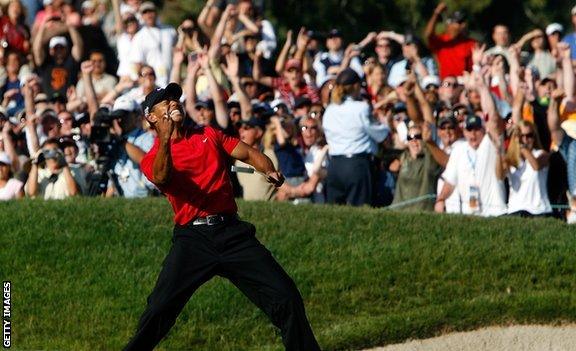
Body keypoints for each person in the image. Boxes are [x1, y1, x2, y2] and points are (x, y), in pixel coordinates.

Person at [123, 82, 320, 350]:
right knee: (158, 309)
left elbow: (248, 153)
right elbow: (161, 175)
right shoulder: (153, 157)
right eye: (165, 102)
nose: (173, 103)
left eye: (175, 99)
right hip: (193, 239)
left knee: (286, 297)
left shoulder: (207, 134)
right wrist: (167, 138)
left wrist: (268, 169)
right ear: (151, 117)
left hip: (232, 233)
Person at [322, 68, 390, 206]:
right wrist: (385, 123)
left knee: (334, 214)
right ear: (356, 86)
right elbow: (380, 134)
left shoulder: (329, 110)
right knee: (360, 211)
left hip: (335, 165)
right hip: (357, 165)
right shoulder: (361, 108)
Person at [499, 120, 552, 216]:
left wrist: (521, 147)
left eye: (529, 136)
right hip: (515, 210)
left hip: (539, 211)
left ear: (534, 137)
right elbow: (500, 176)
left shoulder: (542, 154)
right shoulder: (511, 159)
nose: (525, 139)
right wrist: (501, 150)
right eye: (521, 136)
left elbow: (536, 166)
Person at [424, 3, 475, 79]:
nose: (463, 25)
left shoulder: (471, 43)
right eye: (459, 22)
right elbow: (428, 34)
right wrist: (437, 13)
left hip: (464, 82)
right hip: (447, 83)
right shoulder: (441, 41)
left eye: (463, 22)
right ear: (449, 24)